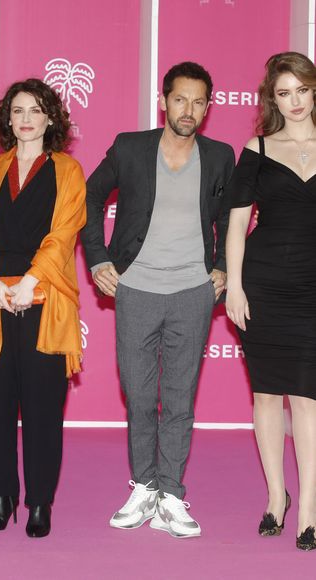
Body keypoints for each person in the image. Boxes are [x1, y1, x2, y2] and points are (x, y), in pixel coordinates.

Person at [81, 62, 234, 538]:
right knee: (141, 395)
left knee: (180, 398)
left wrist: (224, 267)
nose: (188, 110)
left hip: (192, 291)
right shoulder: (130, 147)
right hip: (137, 289)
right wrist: (98, 257)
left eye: (199, 102)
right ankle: (143, 486)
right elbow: (89, 194)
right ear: (163, 101)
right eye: (180, 99)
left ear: (208, 108)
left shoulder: (220, 155)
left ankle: (171, 493)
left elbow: (229, 216)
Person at [0, 78, 85, 538]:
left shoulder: (67, 170)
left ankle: (38, 503)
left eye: (35, 110)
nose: (26, 118)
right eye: (17, 111)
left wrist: (29, 283)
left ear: (50, 117)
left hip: (43, 299)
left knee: (42, 408)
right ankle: (0, 496)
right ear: (7, 119)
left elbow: (63, 234)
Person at [225, 51, 316, 552]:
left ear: (314, 89)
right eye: (284, 93)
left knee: (307, 396)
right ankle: (276, 498)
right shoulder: (257, 148)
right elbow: (237, 224)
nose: (295, 101)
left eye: (301, 89)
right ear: (272, 99)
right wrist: (234, 287)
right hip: (262, 284)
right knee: (266, 395)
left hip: (312, 288)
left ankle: (309, 509)